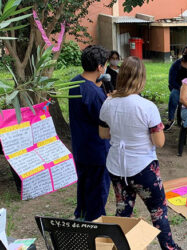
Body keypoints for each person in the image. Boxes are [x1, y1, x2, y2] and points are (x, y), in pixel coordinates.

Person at [99, 56, 181, 250]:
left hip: (117, 167)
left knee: (123, 210)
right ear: (141, 78)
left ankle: (116, 247)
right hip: (143, 168)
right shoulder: (147, 107)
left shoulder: (108, 104)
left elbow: (103, 133)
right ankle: (169, 248)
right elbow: (159, 142)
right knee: (158, 211)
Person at [69, 45, 110, 221]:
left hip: (80, 147)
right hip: (97, 150)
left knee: (84, 186)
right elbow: (105, 120)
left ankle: (81, 216)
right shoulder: (94, 93)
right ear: (100, 67)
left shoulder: (74, 82)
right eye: (105, 65)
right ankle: (94, 222)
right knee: (98, 189)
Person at [165, 45, 187, 131]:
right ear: (182, 53)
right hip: (178, 88)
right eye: (185, 52)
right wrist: (182, 89)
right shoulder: (176, 64)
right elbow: (171, 81)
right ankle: (171, 119)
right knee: (173, 96)